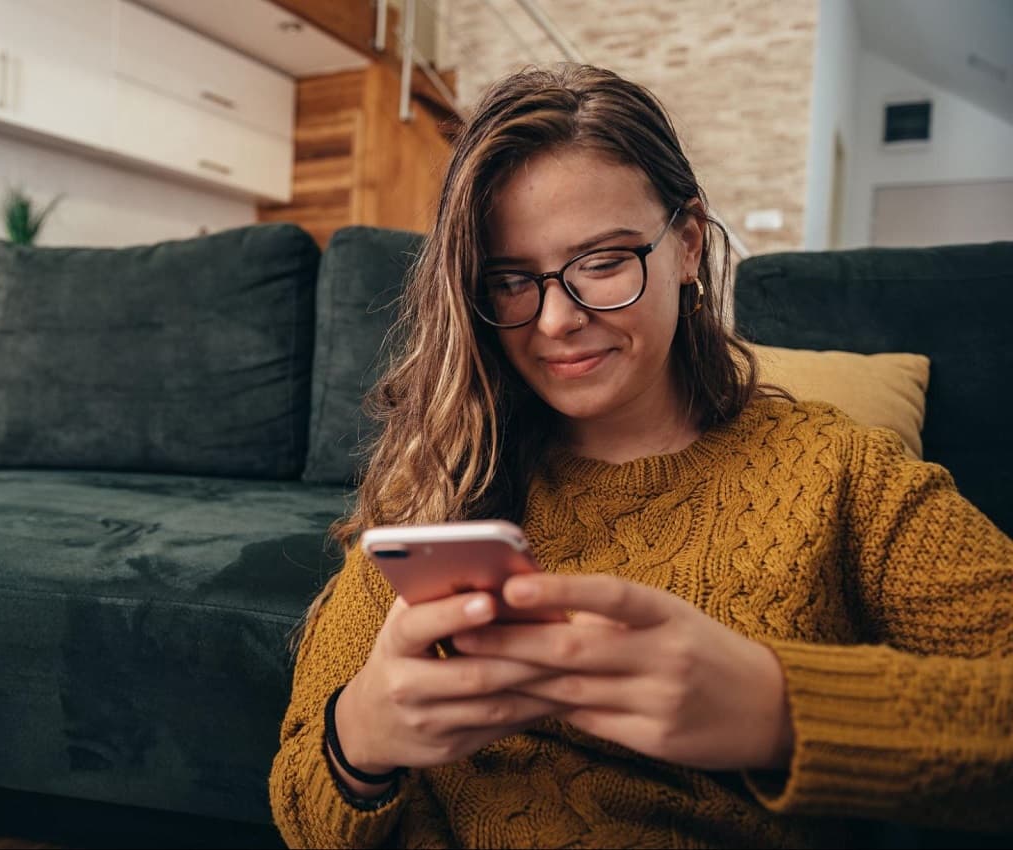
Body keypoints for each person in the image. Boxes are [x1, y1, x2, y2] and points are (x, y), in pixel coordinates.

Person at [268, 64, 1013, 849]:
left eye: (603, 262)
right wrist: (358, 743)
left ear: (687, 245)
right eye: (514, 279)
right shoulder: (443, 478)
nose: (556, 319)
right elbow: (298, 799)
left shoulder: (839, 470)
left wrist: (779, 711)